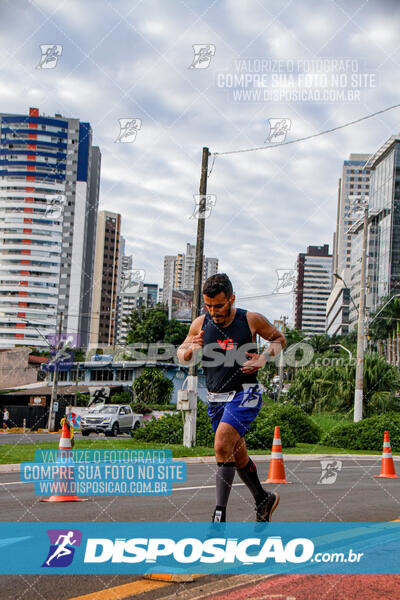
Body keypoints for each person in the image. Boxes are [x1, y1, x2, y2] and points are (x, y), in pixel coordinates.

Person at [177, 273, 286, 523]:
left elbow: (279, 339)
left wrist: (264, 358)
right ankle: (263, 499)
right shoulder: (200, 323)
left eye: (219, 305)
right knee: (235, 453)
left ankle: (219, 518)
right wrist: (190, 350)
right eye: (209, 306)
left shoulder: (251, 320)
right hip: (216, 398)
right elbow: (181, 352)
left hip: (246, 393)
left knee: (221, 443)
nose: (214, 311)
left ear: (231, 299)